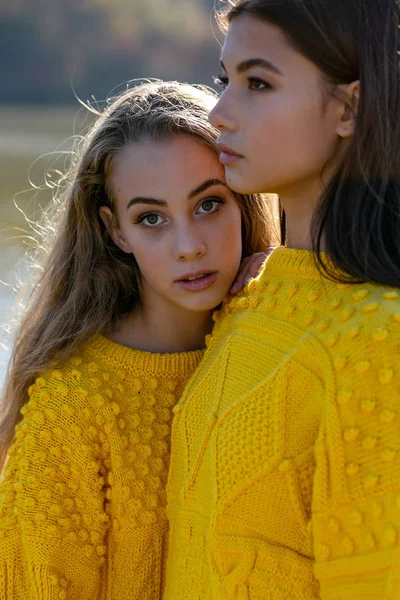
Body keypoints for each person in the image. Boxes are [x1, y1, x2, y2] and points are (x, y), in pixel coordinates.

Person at [0, 81, 279, 600]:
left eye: (209, 204)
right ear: (115, 231)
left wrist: (286, 286)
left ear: (243, 201)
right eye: (152, 218)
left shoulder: (277, 342)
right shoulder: (76, 405)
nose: (189, 247)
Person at [164, 1, 400, 598]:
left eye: (258, 83)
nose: (218, 113)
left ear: (347, 107)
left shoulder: (379, 339)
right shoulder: (248, 297)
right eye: (225, 80)